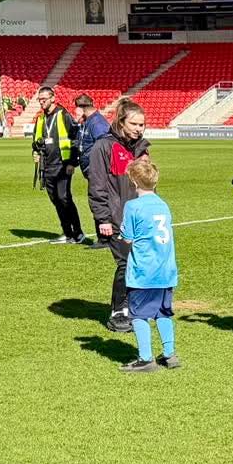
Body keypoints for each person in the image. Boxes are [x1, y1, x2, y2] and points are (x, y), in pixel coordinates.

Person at [84, 99, 149, 333]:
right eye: (134, 124)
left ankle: (132, 307)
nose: (139, 129)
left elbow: (147, 183)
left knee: (138, 263)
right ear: (121, 122)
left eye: (142, 124)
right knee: (125, 263)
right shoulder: (103, 147)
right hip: (116, 218)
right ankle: (118, 312)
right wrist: (103, 219)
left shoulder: (141, 149)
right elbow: (97, 186)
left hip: (139, 217)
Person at [117, 157, 180, 372]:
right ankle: (170, 354)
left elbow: (128, 238)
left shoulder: (132, 206)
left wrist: (123, 234)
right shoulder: (163, 204)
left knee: (138, 314)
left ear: (134, 182)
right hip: (166, 270)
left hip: (144, 271)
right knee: (163, 312)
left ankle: (145, 358)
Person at [29, 86, 82, 244]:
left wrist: (72, 162)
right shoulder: (40, 119)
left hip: (63, 164)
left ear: (53, 98)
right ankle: (67, 233)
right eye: (39, 99)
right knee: (56, 201)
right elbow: (36, 141)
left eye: (44, 99)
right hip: (47, 166)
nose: (41, 102)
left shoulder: (63, 115)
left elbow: (75, 138)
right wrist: (35, 152)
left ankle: (78, 233)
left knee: (64, 198)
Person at [71, 94, 108, 246]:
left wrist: (98, 167)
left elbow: (105, 147)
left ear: (81, 108)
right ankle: (103, 237)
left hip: (98, 170)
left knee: (99, 201)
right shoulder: (88, 121)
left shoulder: (97, 123)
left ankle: (105, 238)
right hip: (91, 169)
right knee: (97, 201)